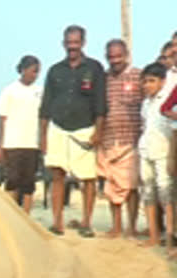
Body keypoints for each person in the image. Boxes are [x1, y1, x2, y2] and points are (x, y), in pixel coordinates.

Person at [40, 25, 107, 237]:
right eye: (69, 43)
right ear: (63, 44)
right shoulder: (55, 70)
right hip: (58, 127)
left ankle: (86, 222)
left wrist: (98, 131)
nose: (72, 47)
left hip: (85, 128)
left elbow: (100, 103)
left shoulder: (95, 68)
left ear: (83, 43)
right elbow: (45, 105)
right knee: (57, 175)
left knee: (88, 178)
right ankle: (57, 222)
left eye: (76, 43)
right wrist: (42, 136)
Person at [97, 39, 143, 238]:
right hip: (108, 139)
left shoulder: (138, 76)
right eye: (111, 56)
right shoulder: (103, 78)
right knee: (111, 186)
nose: (114, 60)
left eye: (118, 56)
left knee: (131, 186)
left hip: (131, 139)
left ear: (126, 55)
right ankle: (116, 226)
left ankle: (131, 227)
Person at [0, 55, 42, 213]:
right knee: (13, 181)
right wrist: (0, 145)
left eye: (37, 72)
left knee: (28, 183)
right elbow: (1, 119)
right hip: (12, 143)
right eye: (33, 71)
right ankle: (12, 214)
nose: (35, 75)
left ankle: (27, 216)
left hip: (32, 144)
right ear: (23, 70)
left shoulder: (39, 92)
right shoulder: (9, 91)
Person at [139, 63, 175, 258]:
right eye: (145, 81)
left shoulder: (168, 102)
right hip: (146, 151)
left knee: (166, 197)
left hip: (163, 153)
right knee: (148, 193)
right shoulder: (145, 104)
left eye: (151, 81)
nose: (147, 85)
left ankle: (169, 238)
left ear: (162, 81)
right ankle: (153, 235)